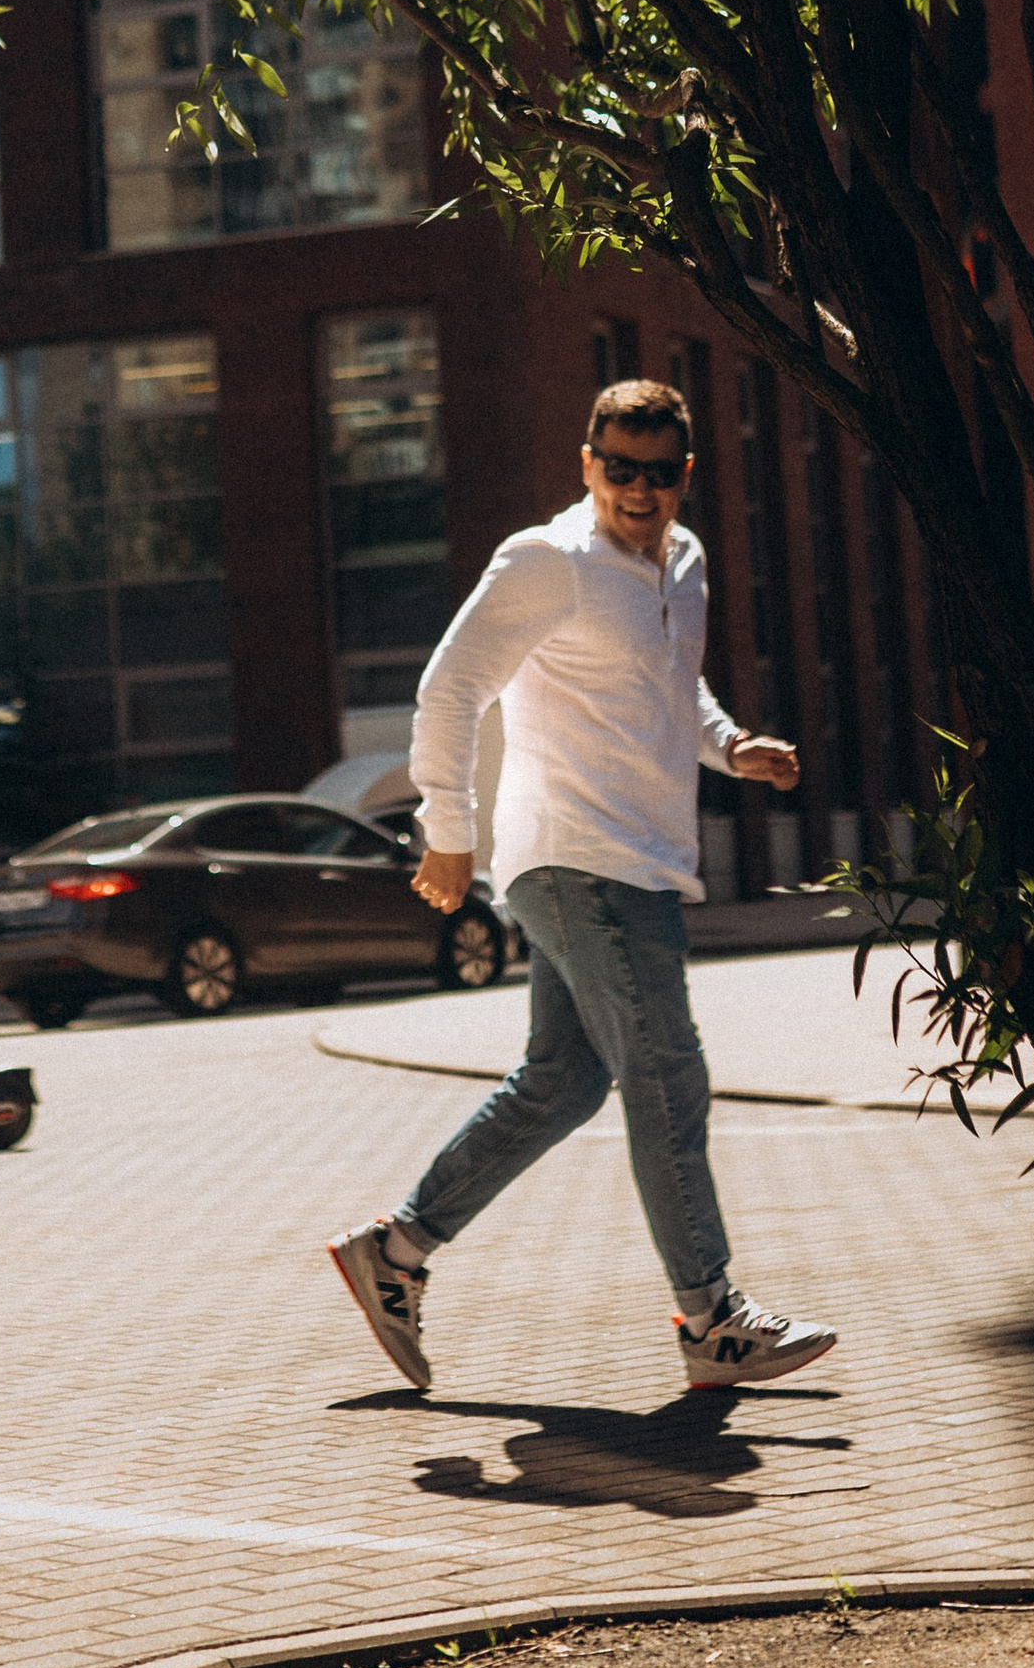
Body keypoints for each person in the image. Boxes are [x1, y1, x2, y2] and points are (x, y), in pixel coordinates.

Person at [328, 377, 838, 1398]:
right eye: (618, 469)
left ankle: (396, 1250)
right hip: (571, 855)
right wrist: (447, 835)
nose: (637, 492)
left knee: (562, 1081)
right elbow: (448, 687)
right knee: (666, 1074)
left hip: (638, 856)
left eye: (658, 474)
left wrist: (730, 747)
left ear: (685, 475)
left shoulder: (682, 563)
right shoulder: (546, 560)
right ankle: (712, 1316)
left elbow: (668, 687)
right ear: (585, 463)